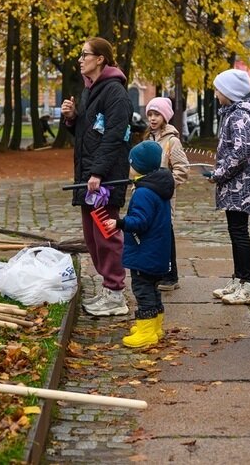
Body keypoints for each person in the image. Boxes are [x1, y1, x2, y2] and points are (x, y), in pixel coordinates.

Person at [61, 37, 133, 317]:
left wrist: (98, 173)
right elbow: (89, 134)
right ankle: (108, 289)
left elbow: (114, 136)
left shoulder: (114, 93)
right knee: (92, 238)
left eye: (85, 54)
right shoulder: (90, 91)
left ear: (101, 58)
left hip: (103, 180)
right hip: (90, 177)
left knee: (106, 235)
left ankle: (115, 294)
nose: (80, 59)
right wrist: (72, 118)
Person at [102, 141, 175, 347]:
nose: (129, 165)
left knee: (143, 291)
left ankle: (146, 332)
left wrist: (119, 223)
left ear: (139, 166)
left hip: (145, 252)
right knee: (153, 289)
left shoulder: (143, 192)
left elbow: (140, 222)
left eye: (131, 162)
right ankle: (154, 326)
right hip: (156, 252)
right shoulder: (158, 186)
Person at [205, 69, 250, 305]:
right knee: (235, 231)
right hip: (235, 185)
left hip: (240, 186)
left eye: (219, 89)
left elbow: (240, 153)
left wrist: (218, 174)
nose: (216, 93)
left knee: (239, 233)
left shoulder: (239, 117)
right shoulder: (232, 114)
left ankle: (248, 284)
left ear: (229, 92)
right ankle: (239, 278)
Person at [144, 96, 189, 291]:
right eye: (150, 114)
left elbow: (182, 169)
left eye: (157, 114)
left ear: (165, 116)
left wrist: (167, 185)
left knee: (165, 234)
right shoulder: (147, 139)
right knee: (149, 234)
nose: (153, 118)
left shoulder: (172, 141)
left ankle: (171, 275)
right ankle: (155, 271)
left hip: (163, 198)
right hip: (146, 196)